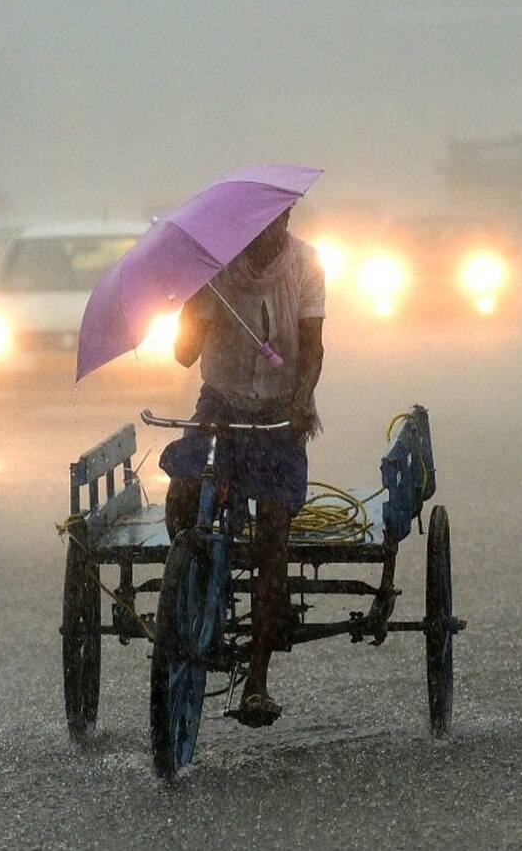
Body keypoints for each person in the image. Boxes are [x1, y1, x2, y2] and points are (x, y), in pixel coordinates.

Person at [158, 206, 325, 727]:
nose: (266, 234)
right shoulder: (218, 269)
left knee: (273, 534)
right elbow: (185, 356)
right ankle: (198, 581)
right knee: (184, 494)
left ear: (289, 219)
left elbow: (314, 347)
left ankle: (257, 680)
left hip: (280, 412)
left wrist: (302, 397)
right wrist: (190, 303)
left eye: (276, 224)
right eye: (256, 226)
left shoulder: (306, 264)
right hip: (221, 404)